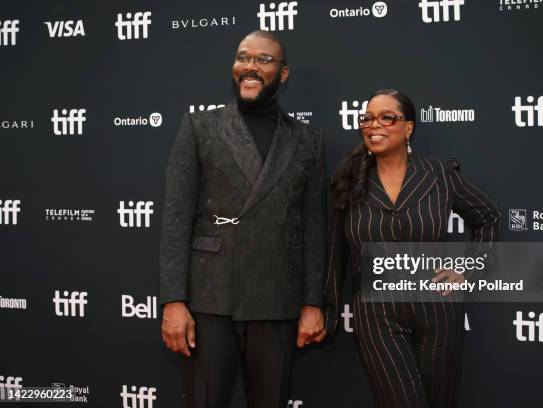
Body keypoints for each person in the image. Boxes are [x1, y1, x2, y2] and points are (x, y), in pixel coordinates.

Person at [158, 30, 327, 408]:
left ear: (283, 74)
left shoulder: (308, 140)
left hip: (277, 298)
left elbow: (315, 227)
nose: (250, 66)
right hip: (209, 296)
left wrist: (313, 303)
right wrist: (173, 301)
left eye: (264, 60)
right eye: (243, 57)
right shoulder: (199, 127)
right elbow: (175, 220)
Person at [323, 89, 501, 408]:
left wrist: (469, 269)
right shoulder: (348, 180)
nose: (373, 124)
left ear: (409, 127)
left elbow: (489, 218)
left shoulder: (439, 175)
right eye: (367, 118)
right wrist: (327, 312)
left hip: (436, 309)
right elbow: (334, 252)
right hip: (377, 315)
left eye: (386, 117)